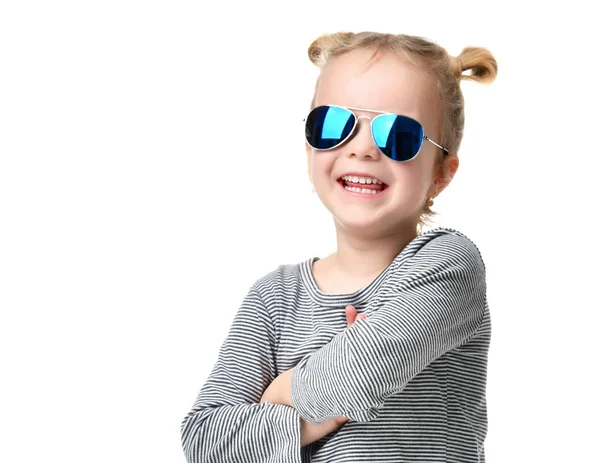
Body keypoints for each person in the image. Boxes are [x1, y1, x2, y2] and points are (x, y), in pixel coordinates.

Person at [181, 31, 497, 462]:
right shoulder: (273, 299)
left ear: (441, 173)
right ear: (309, 150)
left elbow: (366, 368)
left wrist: (282, 394)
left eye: (398, 134)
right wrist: (313, 417)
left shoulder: (449, 266)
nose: (363, 148)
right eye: (334, 125)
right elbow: (205, 440)